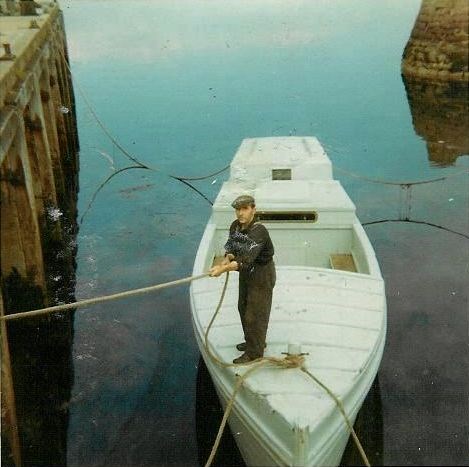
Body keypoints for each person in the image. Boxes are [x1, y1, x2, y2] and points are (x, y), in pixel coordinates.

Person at [209, 195, 276, 364]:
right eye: (238, 209)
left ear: (253, 209)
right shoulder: (236, 226)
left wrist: (222, 269)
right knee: (243, 307)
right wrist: (226, 258)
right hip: (247, 273)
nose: (240, 213)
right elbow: (232, 248)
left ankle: (255, 352)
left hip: (261, 273)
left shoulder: (259, 230)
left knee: (256, 312)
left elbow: (244, 260)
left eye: (245, 209)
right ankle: (252, 341)